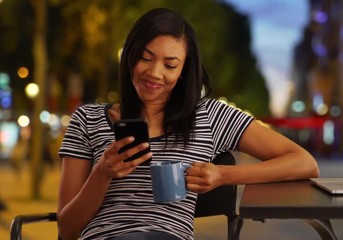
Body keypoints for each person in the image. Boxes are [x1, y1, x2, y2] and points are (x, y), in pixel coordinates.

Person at [57, 7, 319, 240]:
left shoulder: (210, 116)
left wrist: (222, 175)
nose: (155, 73)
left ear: (183, 71)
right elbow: (67, 229)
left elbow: (303, 162)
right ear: (129, 56)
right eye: (146, 58)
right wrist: (102, 172)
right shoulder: (87, 119)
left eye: (170, 65)